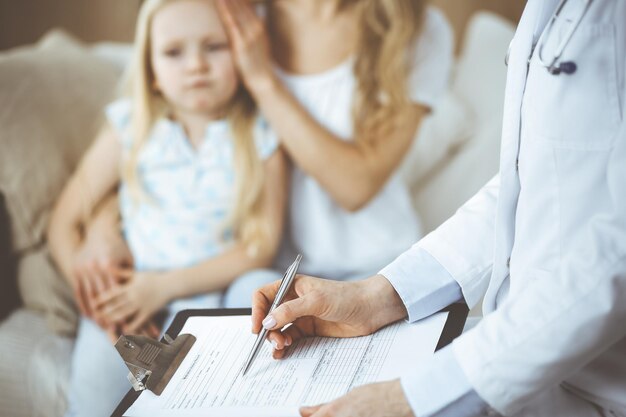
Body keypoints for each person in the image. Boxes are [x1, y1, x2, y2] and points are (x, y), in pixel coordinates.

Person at [251, 1, 626, 416]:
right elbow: (533, 181)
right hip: (529, 368)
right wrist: (376, 295)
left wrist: (413, 397)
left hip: (600, 386)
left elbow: (618, 250)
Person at [47, 0, 287, 415]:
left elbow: (261, 246)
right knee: (93, 402)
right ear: (151, 70)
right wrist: (102, 305)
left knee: (263, 282)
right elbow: (63, 224)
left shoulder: (261, 133)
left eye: (214, 46)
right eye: (174, 52)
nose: (196, 64)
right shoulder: (130, 127)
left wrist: (166, 286)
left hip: (212, 292)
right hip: (134, 302)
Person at [217, 0, 453, 280]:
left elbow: (356, 187)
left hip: (379, 266)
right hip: (268, 272)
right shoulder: (234, 17)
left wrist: (263, 83)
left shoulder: (416, 29)